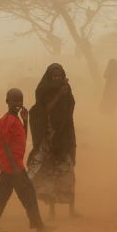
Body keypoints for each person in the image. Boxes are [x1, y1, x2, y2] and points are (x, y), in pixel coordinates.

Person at [0, 89, 48, 232]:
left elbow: (22, 139)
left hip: (11, 166)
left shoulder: (15, 119)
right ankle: (40, 227)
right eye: (14, 100)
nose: (17, 103)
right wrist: (14, 167)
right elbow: (6, 144)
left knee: (1, 195)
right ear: (7, 101)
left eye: (20, 100)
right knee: (28, 194)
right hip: (13, 167)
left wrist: (25, 121)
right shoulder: (7, 120)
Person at [27, 63, 77, 219]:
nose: (57, 79)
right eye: (54, 76)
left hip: (64, 136)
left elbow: (69, 113)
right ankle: (52, 211)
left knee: (68, 172)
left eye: (59, 76)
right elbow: (43, 111)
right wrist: (59, 94)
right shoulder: (43, 91)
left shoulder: (67, 91)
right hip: (49, 137)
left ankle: (71, 210)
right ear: (49, 77)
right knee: (50, 174)